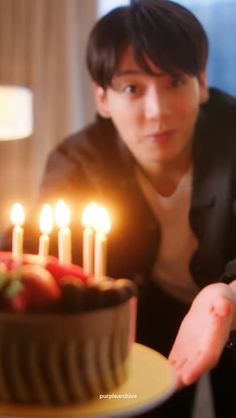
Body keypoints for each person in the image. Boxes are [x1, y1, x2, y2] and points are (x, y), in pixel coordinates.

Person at [1, 0, 236, 417]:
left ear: (201, 82)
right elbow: (29, 257)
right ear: (103, 98)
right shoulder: (77, 161)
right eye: (132, 88)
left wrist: (228, 295)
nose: (156, 111)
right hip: (135, 326)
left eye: (175, 82)